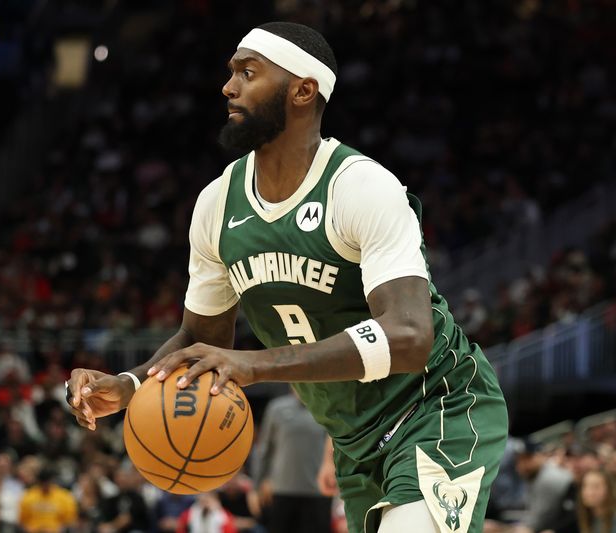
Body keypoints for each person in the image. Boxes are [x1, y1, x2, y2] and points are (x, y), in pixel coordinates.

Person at [67, 21, 508, 533]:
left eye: (247, 73)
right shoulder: (217, 203)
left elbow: (408, 336)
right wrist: (130, 384)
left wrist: (254, 365)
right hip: (352, 438)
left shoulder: (361, 187)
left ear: (303, 90)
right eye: (231, 73)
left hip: (437, 410)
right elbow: (201, 340)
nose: (228, 87)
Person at [252, 389, 331, 532]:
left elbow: (335, 450)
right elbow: (264, 448)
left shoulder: (326, 407)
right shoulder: (276, 408)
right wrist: (257, 486)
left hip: (318, 492)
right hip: (281, 491)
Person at [578, 469, 616, 533]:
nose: (589, 492)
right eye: (585, 486)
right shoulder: (588, 517)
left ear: (609, 490)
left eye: (596, 487)